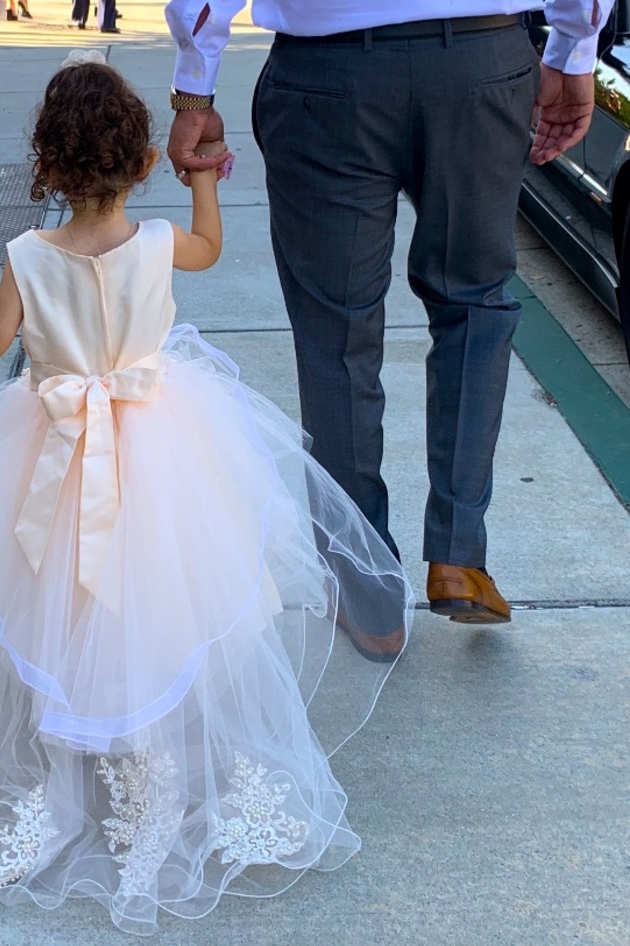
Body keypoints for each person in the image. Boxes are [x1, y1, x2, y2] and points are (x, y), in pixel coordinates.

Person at [0, 52, 413, 936]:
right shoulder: (162, 243)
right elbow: (208, 246)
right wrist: (201, 176)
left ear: (46, 166)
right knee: (163, 589)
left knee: (50, 590)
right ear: (138, 162)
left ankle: (68, 757)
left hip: (55, 442)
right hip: (164, 440)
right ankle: (153, 760)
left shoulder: (27, 255)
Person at [165, 0, 615, 632]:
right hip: (480, 61)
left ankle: (367, 590)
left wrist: (194, 90)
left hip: (326, 75)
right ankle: (459, 559)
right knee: (474, 302)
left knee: (335, 329)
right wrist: (573, 46)